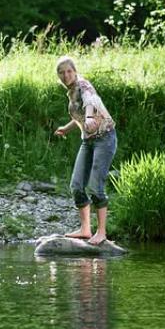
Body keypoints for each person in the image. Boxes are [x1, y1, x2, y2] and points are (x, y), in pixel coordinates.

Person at [54, 56, 117, 245]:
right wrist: (67, 128)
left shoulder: (83, 86)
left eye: (69, 71)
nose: (66, 75)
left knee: (95, 186)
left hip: (104, 138)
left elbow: (91, 101)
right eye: (62, 72)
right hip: (88, 141)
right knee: (76, 185)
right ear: (59, 76)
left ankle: (102, 232)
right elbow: (79, 115)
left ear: (75, 71)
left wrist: (90, 118)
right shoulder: (72, 92)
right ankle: (85, 229)